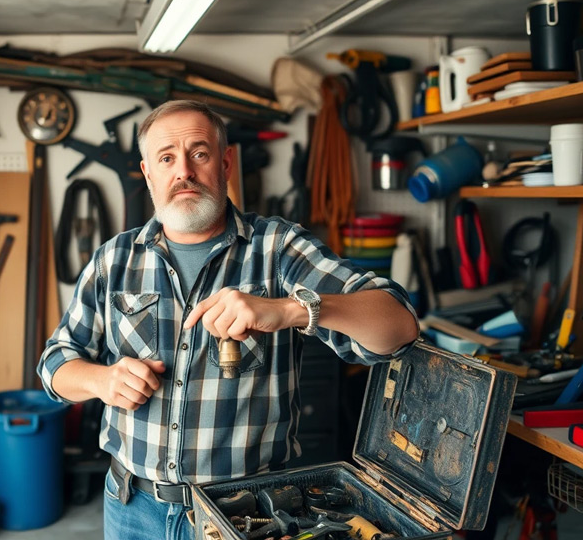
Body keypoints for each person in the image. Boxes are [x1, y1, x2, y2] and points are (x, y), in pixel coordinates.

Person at [36, 99, 419, 540]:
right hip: (131, 509)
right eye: (167, 158)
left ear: (226, 162)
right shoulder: (114, 260)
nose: (184, 171)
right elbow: (54, 364)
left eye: (198, 153)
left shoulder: (277, 249)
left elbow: (400, 326)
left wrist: (291, 310)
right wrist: (101, 381)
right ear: (148, 174)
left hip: (245, 517)